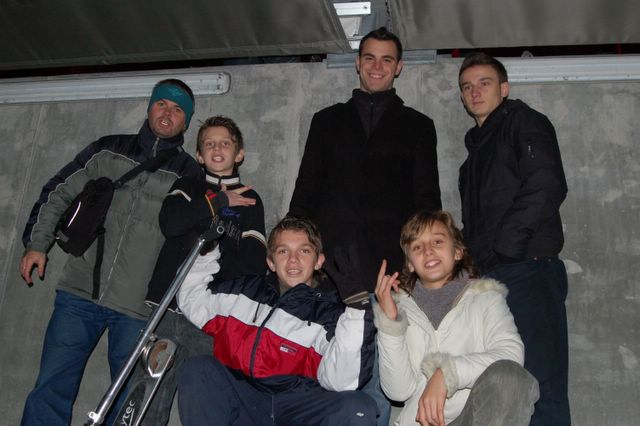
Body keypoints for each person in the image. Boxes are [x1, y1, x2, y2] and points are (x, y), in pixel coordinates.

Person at [19, 79, 201, 425]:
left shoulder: (188, 172)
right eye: (162, 103)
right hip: (79, 294)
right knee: (51, 388)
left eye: (178, 109)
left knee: (126, 406)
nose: (167, 113)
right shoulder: (108, 150)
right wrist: (37, 244)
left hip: (137, 310)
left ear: (186, 122)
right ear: (150, 106)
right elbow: (58, 191)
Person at [125, 115, 267, 425]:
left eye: (225, 143)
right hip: (166, 310)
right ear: (199, 155)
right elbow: (171, 223)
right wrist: (220, 200)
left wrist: (228, 305)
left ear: (239, 153)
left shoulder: (251, 199)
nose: (217, 149)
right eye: (209, 144)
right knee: (148, 396)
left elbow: (254, 263)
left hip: (210, 318)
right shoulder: (187, 185)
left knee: (206, 399)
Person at [176, 216, 377, 425]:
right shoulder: (245, 292)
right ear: (271, 262)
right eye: (283, 251)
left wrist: (356, 309)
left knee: (358, 408)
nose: (293, 259)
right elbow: (193, 302)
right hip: (244, 397)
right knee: (198, 369)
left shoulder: (329, 314)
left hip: (297, 406)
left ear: (318, 261)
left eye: (304, 251)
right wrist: (204, 253)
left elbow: (342, 381)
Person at [457, 52, 570, 425]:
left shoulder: (523, 122)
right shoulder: (472, 161)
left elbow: (546, 183)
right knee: (512, 387)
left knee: (543, 383)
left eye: (484, 83)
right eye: (467, 87)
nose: (475, 92)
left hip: (528, 270)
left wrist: (506, 248)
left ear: (503, 89)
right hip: (494, 279)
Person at [289, 26, 441, 292]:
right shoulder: (326, 121)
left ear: (399, 67)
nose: (377, 66)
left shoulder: (419, 126)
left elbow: (427, 200)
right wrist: (294, 247)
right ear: (358, 63)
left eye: (387, 59)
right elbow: (306, 189)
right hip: (330, 265)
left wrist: (423, 257)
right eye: (370, 58)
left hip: (393, 266)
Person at [374, 210, 538, 426]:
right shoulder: (401, 308)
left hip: (477, 419)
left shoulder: (485, 298)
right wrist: (390, 322)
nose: (428, 250)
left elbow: (511, 356)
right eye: (417, 247)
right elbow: (398, 392)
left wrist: (448, 374)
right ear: (410, 264)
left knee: (511, 379)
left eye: (437, 241)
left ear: (458, 252)